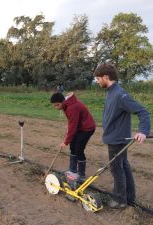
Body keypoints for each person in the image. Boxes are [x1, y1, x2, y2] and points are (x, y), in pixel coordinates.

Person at [93, 62, 151, 209]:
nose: (97, 81)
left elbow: (143, 112)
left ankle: (119, 200)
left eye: (98, 78)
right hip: (115, 137)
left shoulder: (120, 94)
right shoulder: (111, 91)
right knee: (123, 166)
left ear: (106, 77)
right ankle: (129, 197)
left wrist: (143, 131)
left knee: (116, 169)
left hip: (117, 139)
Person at [50, 92, 96, 179]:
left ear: (62, 101)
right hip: (79, 127)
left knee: (78, 149)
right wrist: (68, 138)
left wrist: (66, 141)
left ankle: (81, 175)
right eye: (54, 105)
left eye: (57, 105)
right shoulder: (66, 105)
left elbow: (72, 126)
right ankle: (72, 170)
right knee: (73, 147)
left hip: (87, 128)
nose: (56, 107)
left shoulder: (72, 107)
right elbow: (71, 123)